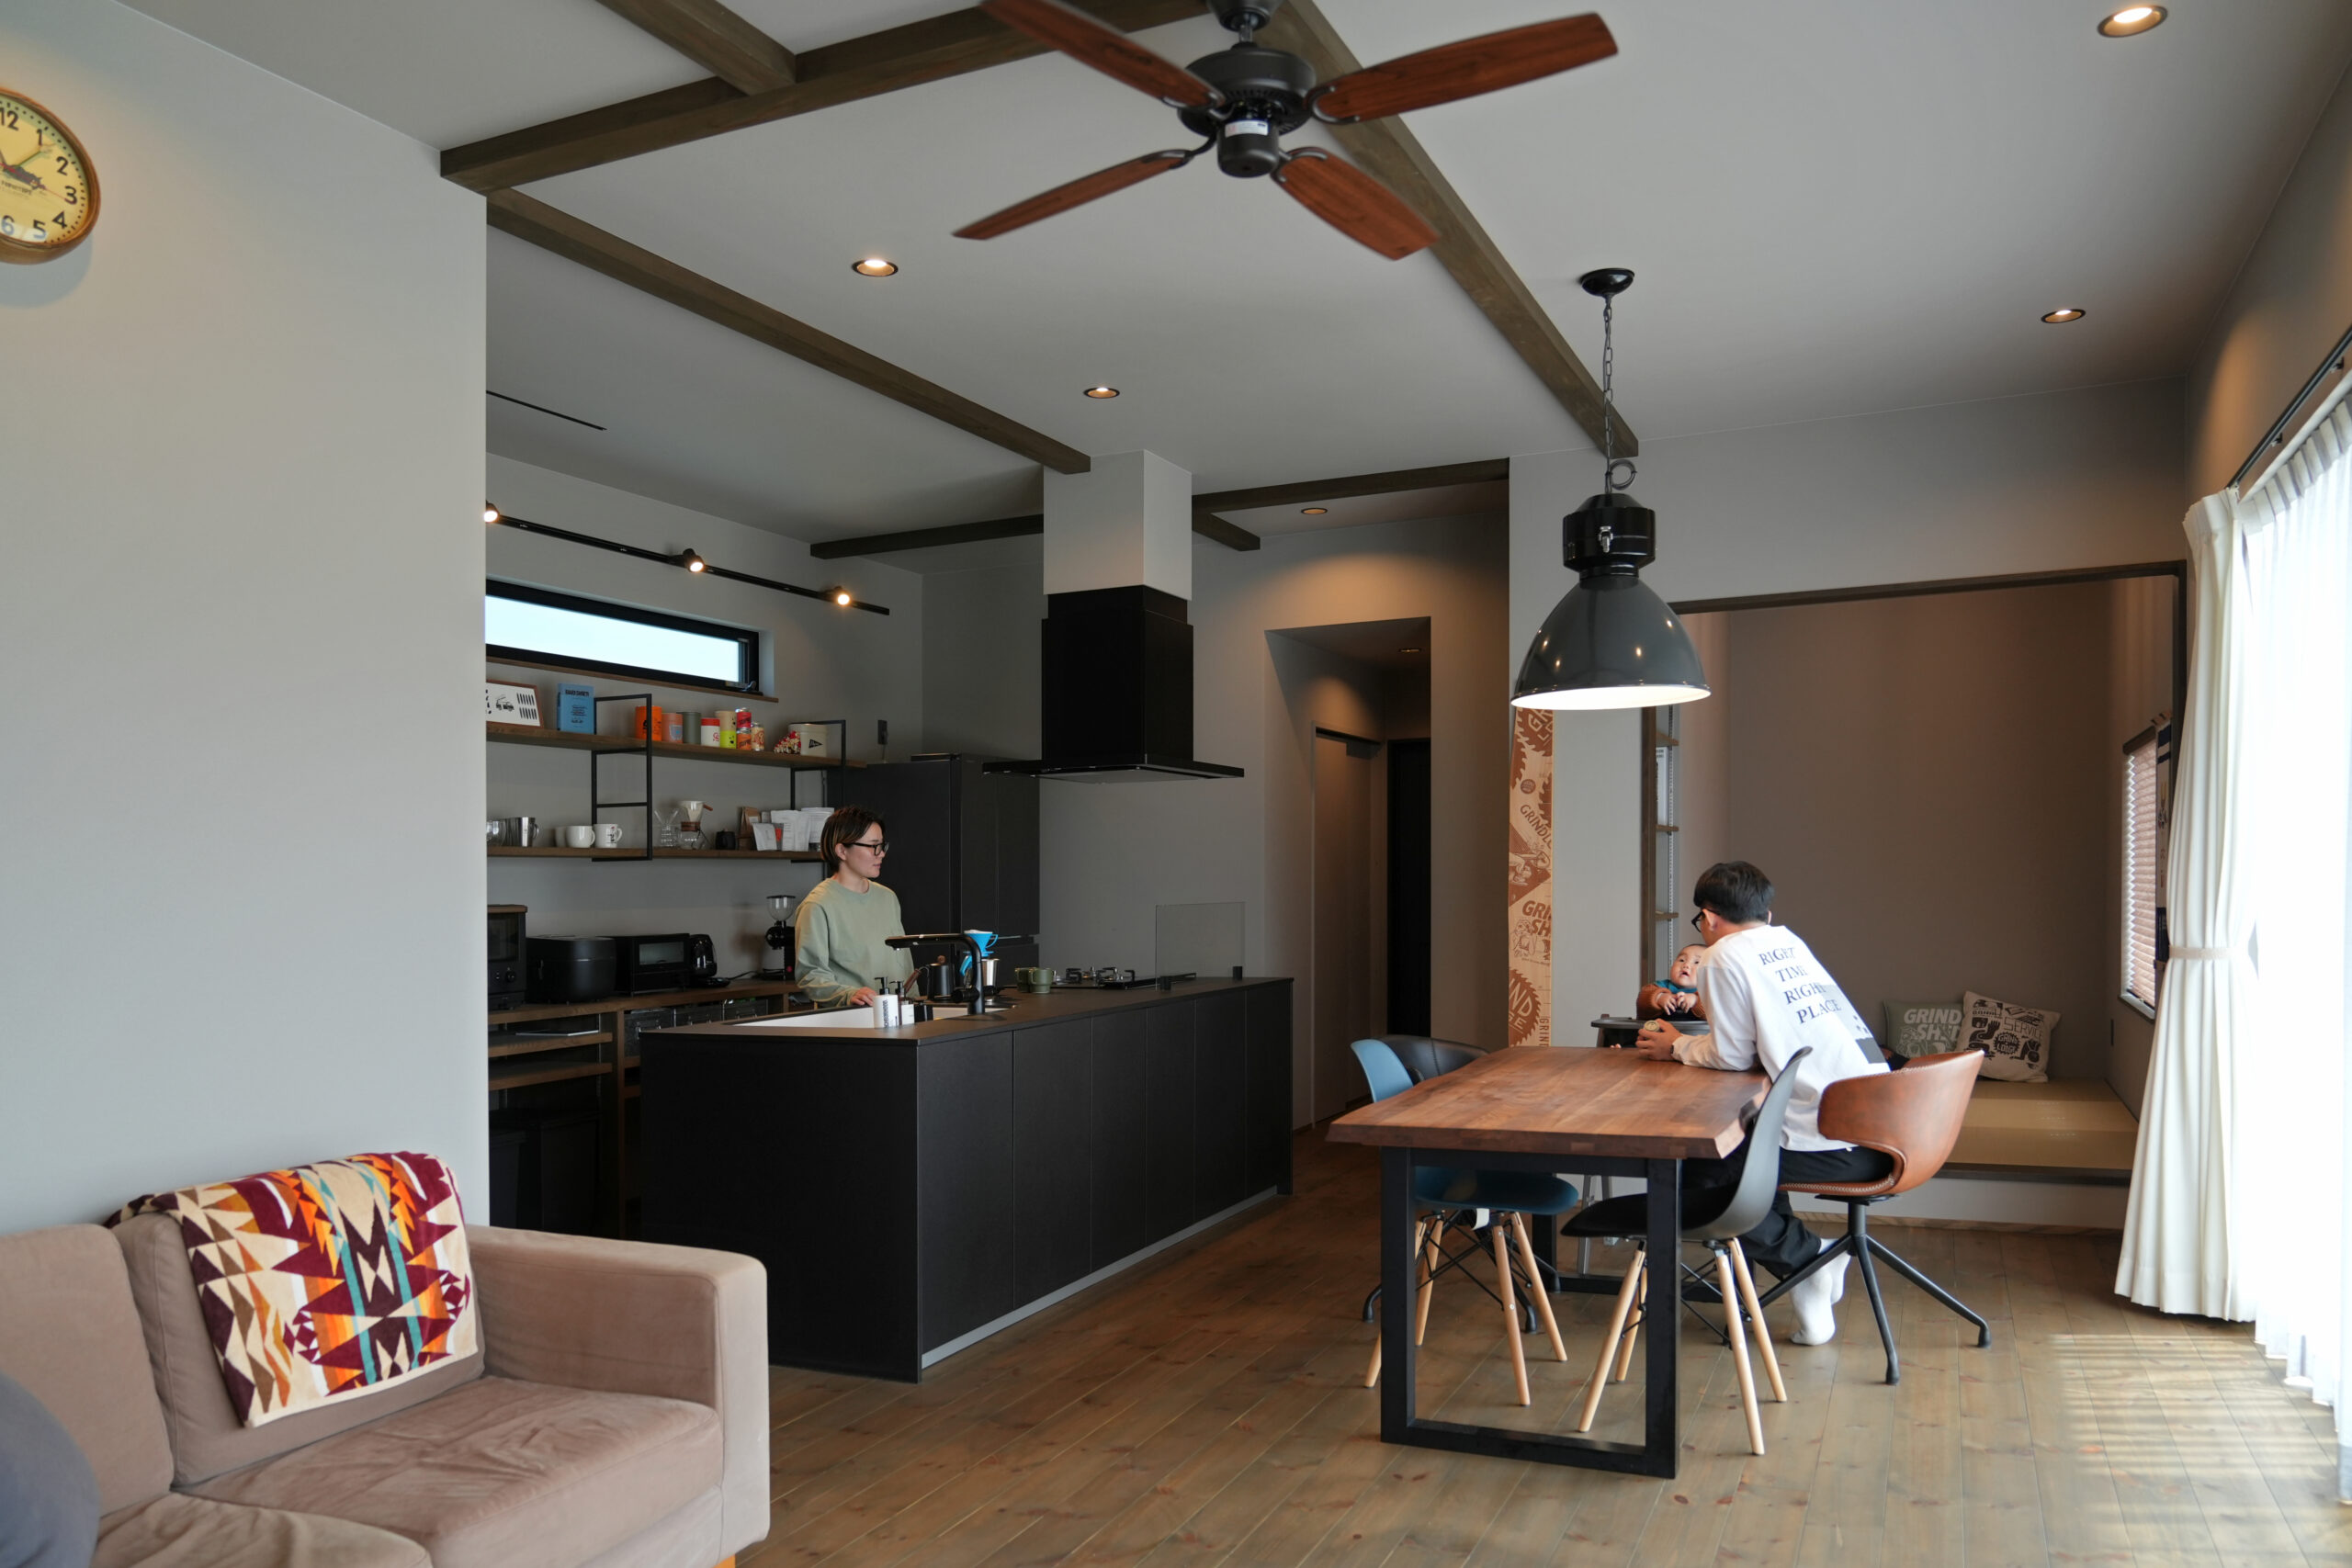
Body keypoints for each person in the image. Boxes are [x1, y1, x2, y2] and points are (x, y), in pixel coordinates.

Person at [1634, 861, 1891, 1345]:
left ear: (1710, 919)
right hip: (1883, 1126)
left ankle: (1809, 1259)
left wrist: (1676, 1045)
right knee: (1750, 1147)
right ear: (1766, 914)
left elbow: (1732, 1057)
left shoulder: (1723, 955)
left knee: (1698, 1169)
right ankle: (1807, 1280)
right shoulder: (1788, 943)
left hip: (1842, 1139)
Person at [792, 806, 913, 1010]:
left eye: (882, 845)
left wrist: (914, 1004)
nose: (881, 854)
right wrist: (848, 994)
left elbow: (904, 963)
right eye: (873, 846)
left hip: (899, 1014)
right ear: (841, 851)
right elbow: (811, 975)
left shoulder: (887, 897)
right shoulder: (817, 905)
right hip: (851, 1019)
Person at [1637, 942, 1709, 1020]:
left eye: (1697, 962)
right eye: (1681, 960)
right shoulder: (1659, 986)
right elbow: (1642, 1002)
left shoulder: (1709, 993)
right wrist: (1659, 997)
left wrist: (1696, 1001)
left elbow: (1716, 1014)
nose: (1686, 965)